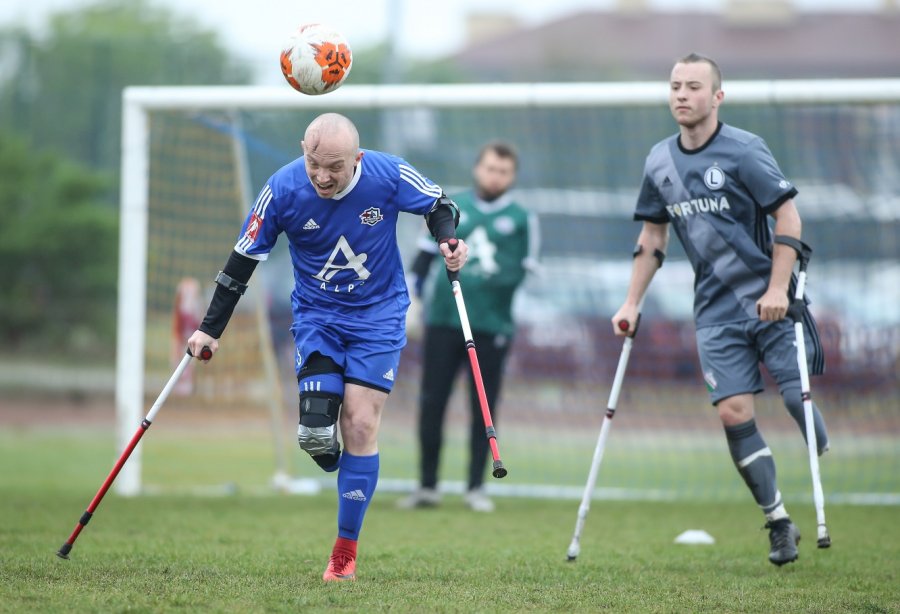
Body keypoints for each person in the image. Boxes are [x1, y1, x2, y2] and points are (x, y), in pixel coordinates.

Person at [187, 112, 468, 582]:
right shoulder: (282, 190)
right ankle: (337, 456)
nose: (322, 174)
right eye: (314, 161)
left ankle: (344, 554)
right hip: (318, 318)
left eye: (334, 166)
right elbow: (242, 259)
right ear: (302, 149)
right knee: (317, 434)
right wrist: (210, 328)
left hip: (378, 316)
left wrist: (448, 240)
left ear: (356, 159)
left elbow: (440, 205)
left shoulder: (387, 173)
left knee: (359, 422)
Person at [611, 53, 829, 566]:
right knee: (733, 411)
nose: (681, 95)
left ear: (717, 97)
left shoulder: (745, 151)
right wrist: (631, 301)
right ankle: (778, 521)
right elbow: (652, 236)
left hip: (773, 303)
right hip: (714, 312)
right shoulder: (659, 161)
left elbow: (788, 216)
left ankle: (815, 437)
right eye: (674, 87)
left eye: (693, 87)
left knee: (799, 403)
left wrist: (778, 289)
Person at [398, 141, 539, 513]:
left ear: (512, 177)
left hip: (491, 326)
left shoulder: (523, 220)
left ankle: (477, 486)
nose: (496, 176)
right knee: (432, 401)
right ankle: (427, 486)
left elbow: (519, 272)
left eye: (504, 171)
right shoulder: (449, 209)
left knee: (484, 406)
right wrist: (413, 298)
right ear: (478, 168)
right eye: (491, 168)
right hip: (445, 321)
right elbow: (424, 260)